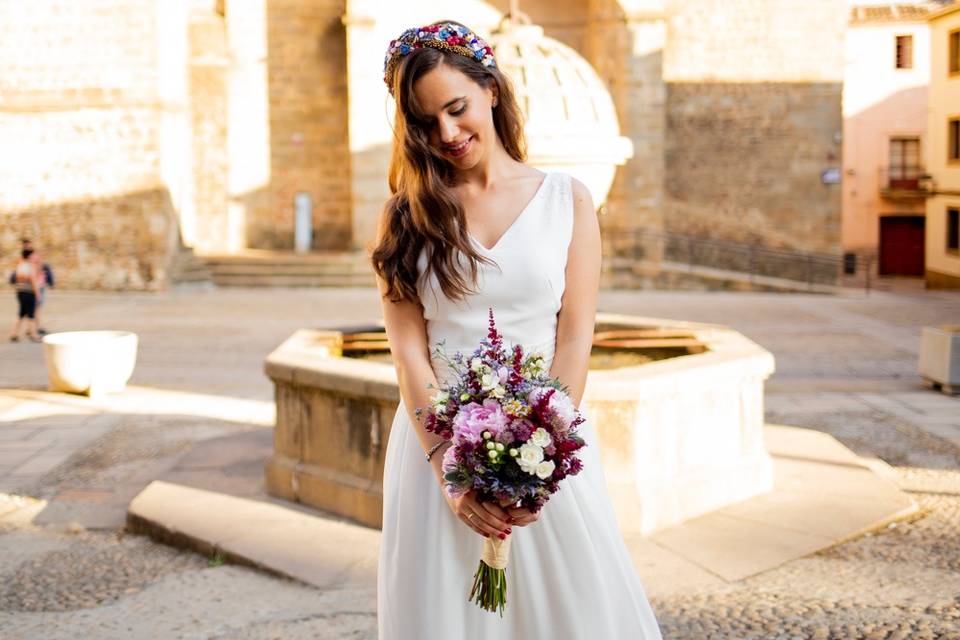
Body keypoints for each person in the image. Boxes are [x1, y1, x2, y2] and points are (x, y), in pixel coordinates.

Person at [371, 21, 662, 638]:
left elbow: (575, 336)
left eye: (457, 108)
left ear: (492, 92)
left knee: (572, 611)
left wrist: (541, 456)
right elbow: (409, 358)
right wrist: (450, 470)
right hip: (436, 450)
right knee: (448, 617)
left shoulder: (568, 200)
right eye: (426, 123)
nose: (447, 134)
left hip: (544, 445)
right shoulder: (404, 216)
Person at [9, 247, 42, 342]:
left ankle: (14, 334)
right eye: (33, 254)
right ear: (29, 256)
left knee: (21, 313)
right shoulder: (30, 266)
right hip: (28, 292)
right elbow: (33, 281)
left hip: (20, 292)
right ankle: (34, 335)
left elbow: (18, 278)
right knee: (31, 314)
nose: (35, 256)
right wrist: (37, 294)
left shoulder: (20, 265)